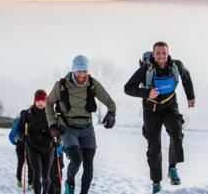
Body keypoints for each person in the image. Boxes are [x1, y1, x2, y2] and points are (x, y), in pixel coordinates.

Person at [124, 42, 195, 193]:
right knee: (153, 147)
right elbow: (128, 88)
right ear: (153, 54)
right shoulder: (146, 68)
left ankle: (172, 168)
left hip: (170, 106)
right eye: (158, 54)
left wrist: (191, 96)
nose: (161, 57)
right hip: (151, 111)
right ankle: (156, 183)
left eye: (164, 53)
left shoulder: (176, 66)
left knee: (176, 132)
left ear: (168, 53)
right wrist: (146, 93)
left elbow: (186, 77)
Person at [46, 55, 117, 194]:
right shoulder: (61, 85)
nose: (82, 75)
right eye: (79, 71)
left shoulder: (92, 83)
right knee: (77, 160)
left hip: (87, 130)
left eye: (84, 71)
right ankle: (70, 183)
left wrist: (111, 113)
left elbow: (110, 102)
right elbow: (49, 103)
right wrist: (53, 125)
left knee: (89, 165)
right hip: (67, 129)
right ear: (73, 70)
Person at [18, 89, 54, 194]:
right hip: (33, 147)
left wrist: (58, 140)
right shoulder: (26, 113)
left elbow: (58, 129)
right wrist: (23, 137)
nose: (40, 103)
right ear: (35, 100)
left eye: (42, 100)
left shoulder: (51, 113)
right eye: (38, 100)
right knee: (37, 173)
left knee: (46, 175)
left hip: (48, 148)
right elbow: (19, 130)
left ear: (46, 101)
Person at [9, 114, 33, 190]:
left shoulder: (17, 122)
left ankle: (19, 180)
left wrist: (14, 142)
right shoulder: (31, 120)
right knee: (30, 164)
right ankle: (30, 183)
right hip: (29, 143)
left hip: (19, 143)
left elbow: (11, 135)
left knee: (20, 162)